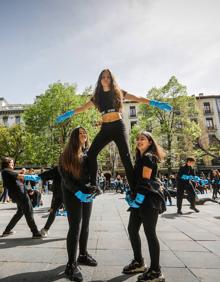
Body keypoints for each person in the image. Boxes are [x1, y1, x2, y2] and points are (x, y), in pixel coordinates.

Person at [56, 69, 172, 192]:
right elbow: (83, 107)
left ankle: (134, 191)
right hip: (105, 128)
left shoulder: (118, 92)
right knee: (91, 154)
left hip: (118, 127)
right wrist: (68, 114)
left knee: (126, 159)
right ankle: (95, 186)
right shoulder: (97, 97)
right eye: (103, 77)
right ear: (100, 80)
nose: (105, 79)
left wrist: (155, 103)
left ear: (111, 79)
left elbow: (137, 98)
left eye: (108, 77)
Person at [123, 131, 166, 282]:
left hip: (149, 200)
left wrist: (138, 197)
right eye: (138, 139)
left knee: (150, 233)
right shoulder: (140, 158)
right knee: (132, 229)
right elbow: (138, 179)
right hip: (140, 200)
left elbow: (146, 180)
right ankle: (139, 262)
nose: (139, 141)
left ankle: (156, 271)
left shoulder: (148, 157)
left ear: (150, 142)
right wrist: (131, 193)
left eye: (143, 139)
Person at [59, 126, 100, 282]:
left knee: (86, 225)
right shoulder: (66, 155)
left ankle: (82, 255)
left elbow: (93, 174)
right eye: (80, 133)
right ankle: (71, 264)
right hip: (71, 193)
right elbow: (65, 178)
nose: (84, 135)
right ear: (74, 137)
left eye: (85, 133)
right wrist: (77, 192)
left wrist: (94, 188)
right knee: (75, 227)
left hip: (86, 193)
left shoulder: (89, 153)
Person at [1, 157, 42, 239]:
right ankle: (35, 233)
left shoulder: (8, 172)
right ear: (7, 163)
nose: (13, 164)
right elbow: (20, 177)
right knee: (29, 212)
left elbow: (16, 182)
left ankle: (7, 230)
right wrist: (32, 177)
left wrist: (27, 190)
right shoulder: (6, 171)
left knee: (20, 212)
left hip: (19, 194)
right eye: (11, 163)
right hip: (20, 195)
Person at [39, 166, 63, 237]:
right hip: (60, 195)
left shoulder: (62, 167)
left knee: (53, 211)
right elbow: (46, 175)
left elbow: (46, 175)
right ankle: (45, 229)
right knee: (53, 211)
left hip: (63, 194)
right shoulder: (59, 168)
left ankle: (45, 229)